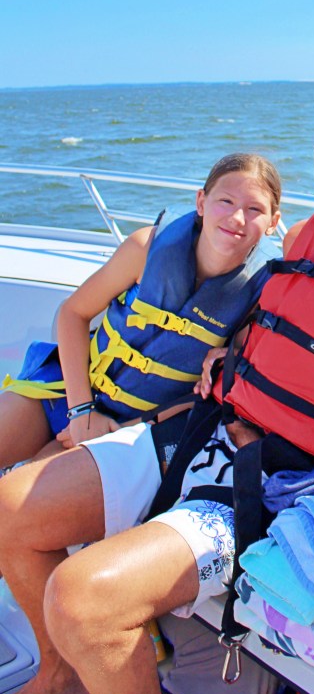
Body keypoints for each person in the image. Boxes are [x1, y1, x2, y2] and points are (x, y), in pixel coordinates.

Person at [0, 95, 314, 694]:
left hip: (270, 488)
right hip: (199, 430)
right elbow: (287, 321)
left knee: (82, 598)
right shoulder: (304, 238)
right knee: (10, 509)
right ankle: (61, 673)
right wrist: (234, 346)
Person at [0, 152, 282, 467]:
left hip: (137, 426)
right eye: (226, 201)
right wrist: (81, 413)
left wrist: (118, 432)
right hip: (67, 387)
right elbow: (73, 313)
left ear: (273, 222)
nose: (237, 218)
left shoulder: (260, 294)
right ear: (201, 202)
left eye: (254, 208)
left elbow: (204, 391)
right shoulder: (144, 249)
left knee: (21, 496)